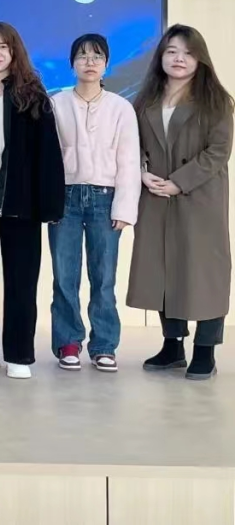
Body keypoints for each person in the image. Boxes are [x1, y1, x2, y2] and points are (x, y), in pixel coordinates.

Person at [128, 25, 233, 381]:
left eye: (188, 53)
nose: (179, 59)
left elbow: (218, 152)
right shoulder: (144, 100)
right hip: (157, 195)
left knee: (204, 272)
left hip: (199, 196)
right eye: (172, 51)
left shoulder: (216, 101)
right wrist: (142, 172)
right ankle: (172, 345)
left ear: (200, 58)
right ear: (160, 56)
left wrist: (180, 182)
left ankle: (205, 350)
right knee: (163, 269)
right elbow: (132, 144)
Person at [0, 22, 64, 380]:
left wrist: (50, 204)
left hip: (22, 204)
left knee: (22, 282)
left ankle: (19, 353)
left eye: (3, 46)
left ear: (14, 51)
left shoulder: (33, 96)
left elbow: (49, 154)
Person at [49, 33, 141, 373]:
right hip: (65, 198)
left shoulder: (120, 107)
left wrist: (124, 208)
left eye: (97, 56)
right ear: (72, 63)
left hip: (106, 198)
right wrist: (49, 201)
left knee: (103, 278)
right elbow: (48, 158)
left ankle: (104, 345)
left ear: (106, 63)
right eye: (83, 56)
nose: (90, 62)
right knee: (64, 276)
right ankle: (68, 342)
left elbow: (129, 160)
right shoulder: (56, 104)